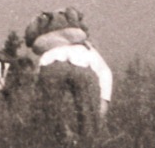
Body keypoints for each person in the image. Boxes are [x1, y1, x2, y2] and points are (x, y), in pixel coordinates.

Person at [26, 9, 112, 138]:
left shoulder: (48, 51)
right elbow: (105, 72)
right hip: (82, 64)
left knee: (52, 114)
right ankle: (89, 144)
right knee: (88, 115)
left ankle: (65, 138)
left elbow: (38, 78)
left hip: (50, 65)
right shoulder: (87, 47)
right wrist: (103, 103)